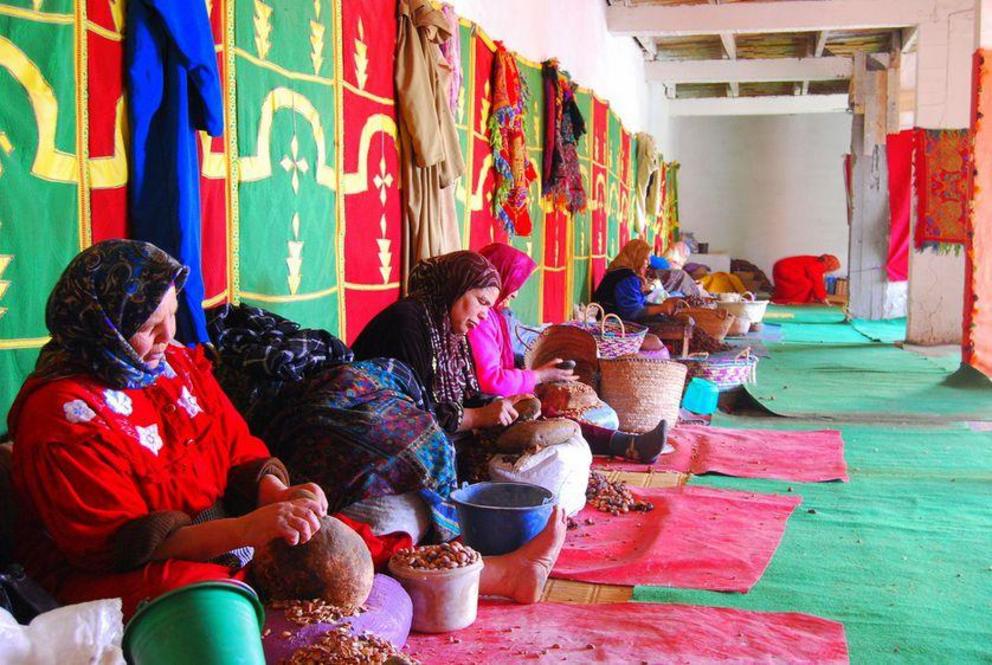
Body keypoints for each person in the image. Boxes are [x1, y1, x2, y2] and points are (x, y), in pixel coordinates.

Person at [7, 240, 339, 620]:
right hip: (114, 571)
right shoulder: (64, 416)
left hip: (216, 534)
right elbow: (124, 547)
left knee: (331, 544)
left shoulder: (172, 364)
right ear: (104, 329)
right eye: (149, 326)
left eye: (174, 314)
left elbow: (233, 444)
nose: (169, 336)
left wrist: (274, 494)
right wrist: (246, 529)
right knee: (207, 603)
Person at [352, 250, 568, 603]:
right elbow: (409, 417)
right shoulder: (408, 324)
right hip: (376, 454)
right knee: (406, 519)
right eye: (481, 301)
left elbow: (461, 396)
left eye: (490, 305)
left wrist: (496, 408)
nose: (485, 314)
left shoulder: (446, 331)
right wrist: (481, 417)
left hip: (416, 443)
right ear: (455, 289)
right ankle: (501, 572)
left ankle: (499, 566)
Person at [471, 243, 670, 464]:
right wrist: (538, 376)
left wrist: (538, 374)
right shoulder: (480, 320)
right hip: (488, 408)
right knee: (553, 423)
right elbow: (492, 381)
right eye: (514, 284)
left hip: (499, 399)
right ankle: (628, 444)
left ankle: (630, 444)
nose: (516, 293)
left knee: (559, 418)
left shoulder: (495, 316)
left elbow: (500, 366)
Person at [592, 239, 684, 321]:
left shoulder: (623, 273)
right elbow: (632, 312)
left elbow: (641, 304)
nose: (649, 263)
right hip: (611, 322)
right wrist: (661, 309)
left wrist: (662, 307)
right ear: (637, 257)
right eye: (646, 259)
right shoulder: (627, 278)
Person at [772, 254, 841, 304]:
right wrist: (823, 298)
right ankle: (792, 301)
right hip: (784, 268)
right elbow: (817, 281)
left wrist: (821, 297)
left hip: (781, 266)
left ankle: (786, 300)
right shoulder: (819, 265)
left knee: (801, 285)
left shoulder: (818, 261)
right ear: (830, 266)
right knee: (806, 284)